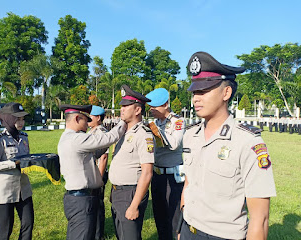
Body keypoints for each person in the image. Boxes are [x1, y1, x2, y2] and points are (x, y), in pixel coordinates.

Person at [180, 52, 276, 240]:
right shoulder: (191, 135)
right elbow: (189, 183)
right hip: (188, 229)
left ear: (226, 93)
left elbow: (260, 219)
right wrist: (181, 228)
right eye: (194, 92)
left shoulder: (248, 142)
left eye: (203, 91)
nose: (195, 98)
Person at [58, 104, 127, 240]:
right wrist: (124, 121)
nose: (88, 123)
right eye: (86, 119)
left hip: (78, 198)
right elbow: (108, 138)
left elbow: (94, 153)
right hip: (82, 200)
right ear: (77, 118)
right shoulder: (76, 139)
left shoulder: (68, 138)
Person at [109, 85, 154, 240]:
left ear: (137, 110)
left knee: (130, 236)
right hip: (117, 192)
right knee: (121, 235)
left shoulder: (143, 135)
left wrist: (134, 205)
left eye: (126, 106)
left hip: (130, 194)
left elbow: (147, 173)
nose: (122, 109)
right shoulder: (123, 132)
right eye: (122, 106)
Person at [0, 102, 34, 240]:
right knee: (5, 230)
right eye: (17, 119)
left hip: (23, 190)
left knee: (28, 223)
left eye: (22, 119)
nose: (21, 122)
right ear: (8, 119)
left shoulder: (24, 137)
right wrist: (13, 164)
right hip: (4, 192)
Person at [145, 88, 186, 240]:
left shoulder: (178, 121)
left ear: (166, 104)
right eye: (150, 106)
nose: (151, 109)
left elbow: (174, 144)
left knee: (174, 218)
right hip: (157, 176)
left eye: (155, 106)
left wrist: (157, 132)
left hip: (173, 178)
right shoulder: (154, 123)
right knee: (160, 216)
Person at [88, 105, 109, 240]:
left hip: (97, 174)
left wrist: (99, 179)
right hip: (91, 173)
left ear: (98, 117)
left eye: (90, 116)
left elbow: (104, 157)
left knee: (97, 205)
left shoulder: (101, 133)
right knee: (92, 203)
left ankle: (98, 235)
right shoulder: (92, 131)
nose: (88, 118)